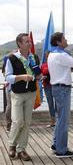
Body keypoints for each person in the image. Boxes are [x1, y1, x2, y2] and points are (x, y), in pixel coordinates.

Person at [5, 33, 42, 161]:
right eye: (26, 41)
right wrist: (22, 77)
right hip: (17, 94)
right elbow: (8, 77)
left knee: (26, 123)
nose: (29, 43)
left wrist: (40, 77)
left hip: (31, 93)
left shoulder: (34, 57)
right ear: (20, 44)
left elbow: (38, 73)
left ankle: (21, 149)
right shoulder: (12, 58)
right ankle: (12, 145)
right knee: (17, 121)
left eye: (30, 41)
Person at [41, 51, 56, 128]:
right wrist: (42, 77)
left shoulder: (55, 64)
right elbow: (40, 75)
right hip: (47, 87)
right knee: (50, 104)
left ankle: (58, 121)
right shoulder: (43, 65)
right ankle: (53, 121)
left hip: (55, 86)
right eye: (46, 56)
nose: (47, 57)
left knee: (57, 104)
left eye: (49, 55)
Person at [2, 55, 12, 132]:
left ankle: (9, 126)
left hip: (8, 88)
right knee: (10, 106)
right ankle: (9, 125)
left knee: (9, 105)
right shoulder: (8, 67)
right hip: (11, 88)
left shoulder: (4, 69)